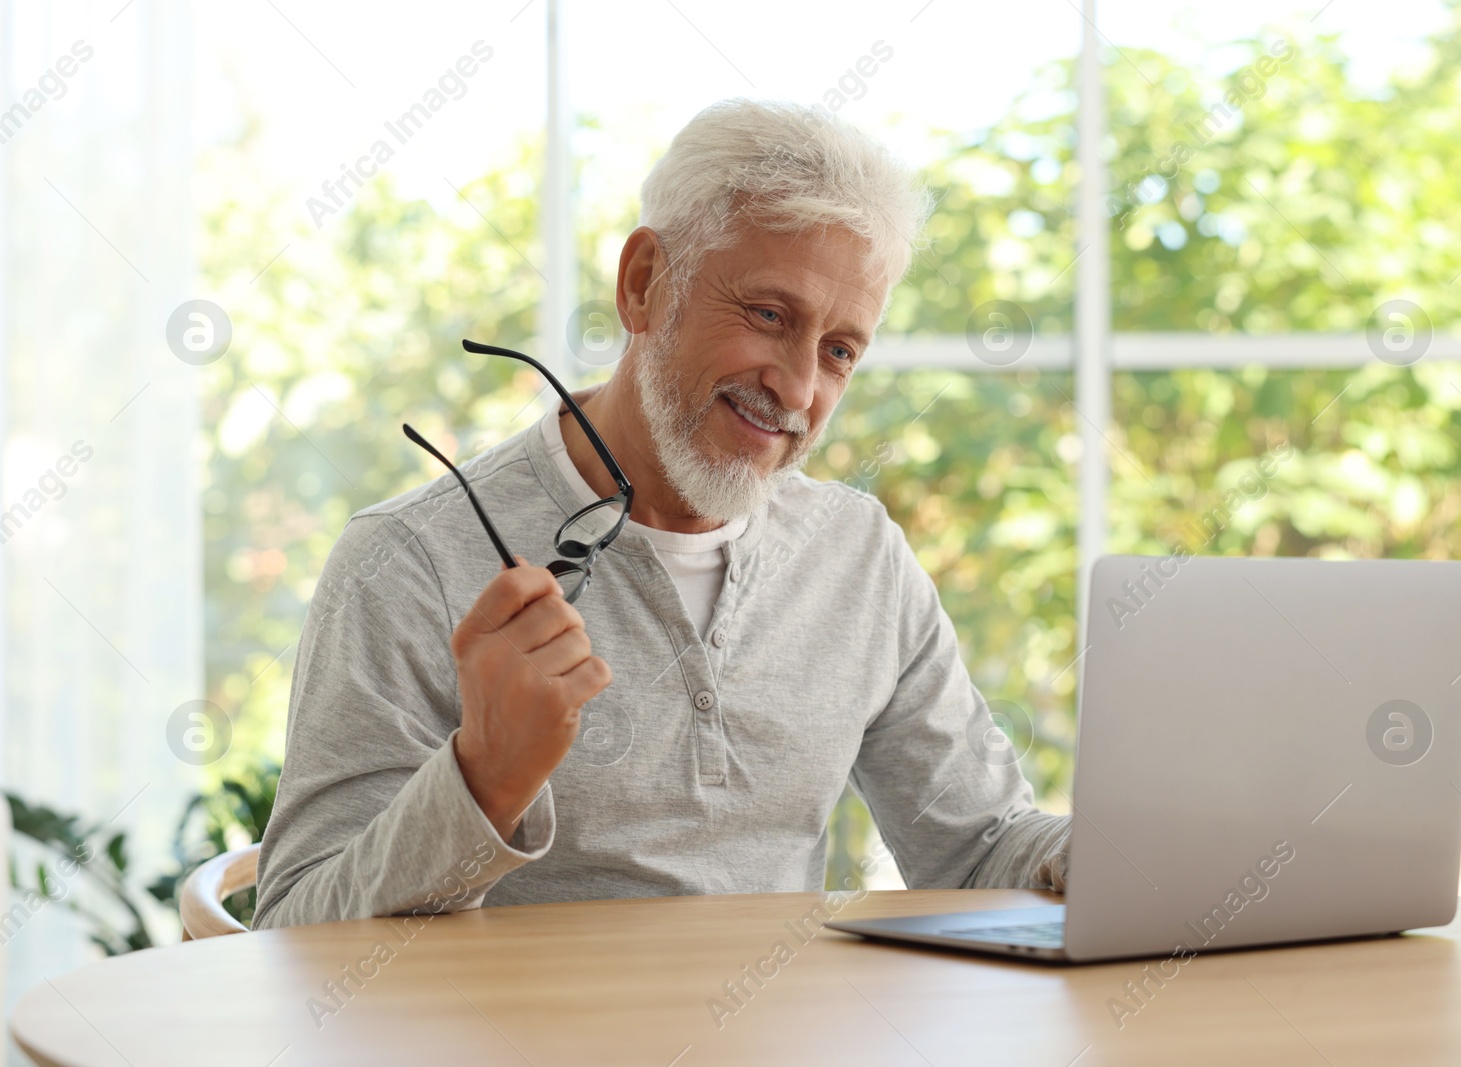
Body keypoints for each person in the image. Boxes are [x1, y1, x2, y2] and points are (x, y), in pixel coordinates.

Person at [254, 97, 1071, 929]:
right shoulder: (407, 560)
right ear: (644, 284)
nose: (796, 389)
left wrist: (1129, 851)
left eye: (838, 352)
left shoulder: (858, 554)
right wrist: (486, 779)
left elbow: (979, 847)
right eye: (768, 315)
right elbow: (293, 937)